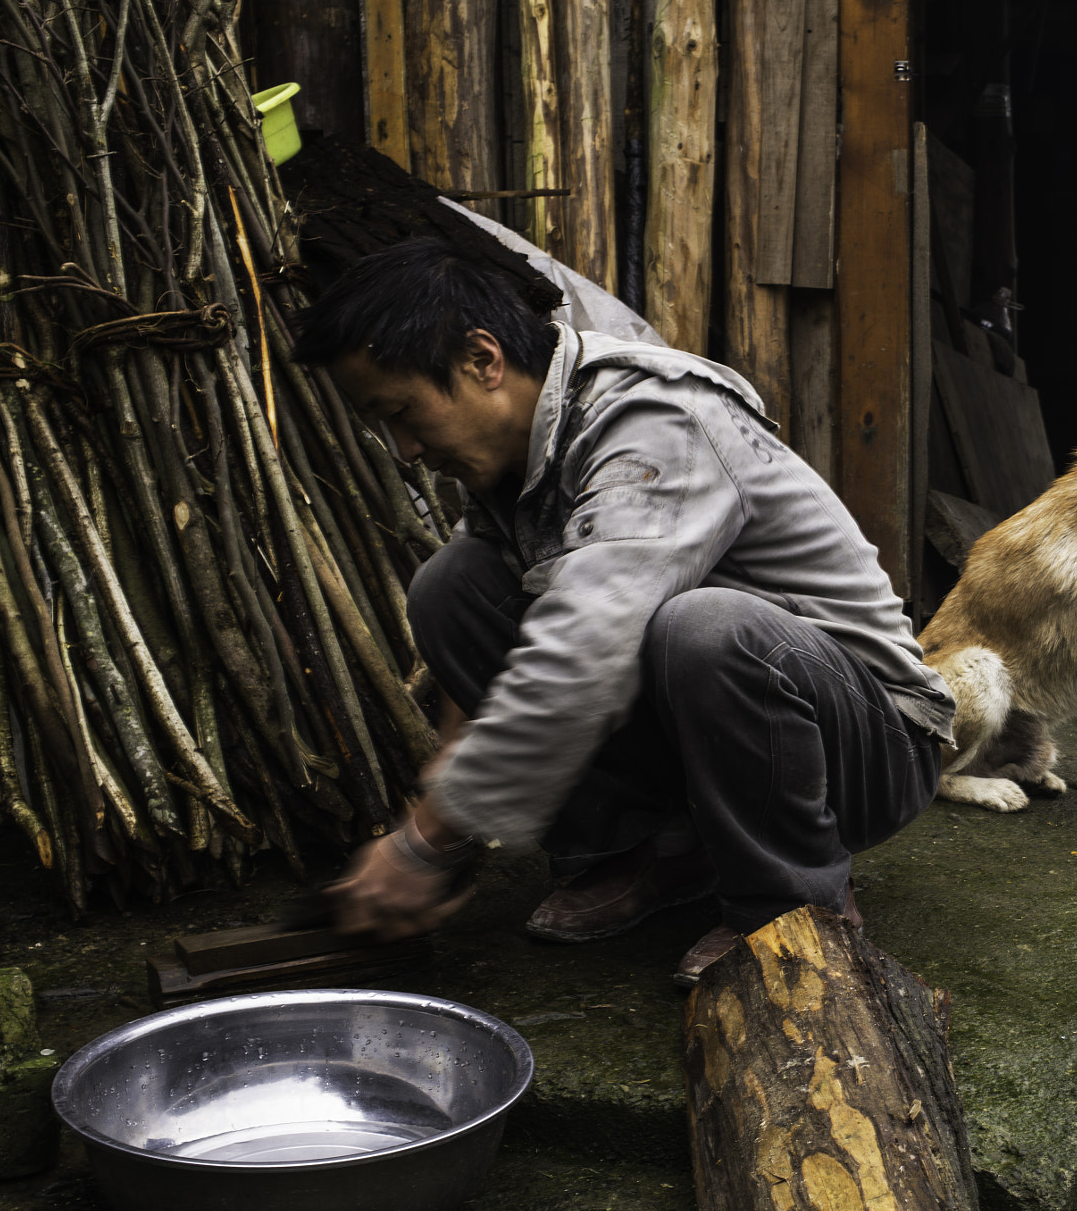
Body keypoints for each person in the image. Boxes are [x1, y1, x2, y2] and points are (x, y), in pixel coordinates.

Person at [299, 236, 953, 987]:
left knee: (705, 628)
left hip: (871, 747)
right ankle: (650, 849)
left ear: (483, 360)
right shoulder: (519, 458)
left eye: (402, 412)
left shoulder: (654, 421)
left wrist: (423, 844)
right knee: (453, 584)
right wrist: (448, 797)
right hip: (725, 723)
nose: (404, 449)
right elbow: (507, 634)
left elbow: (583, 644)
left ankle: (792, 906)